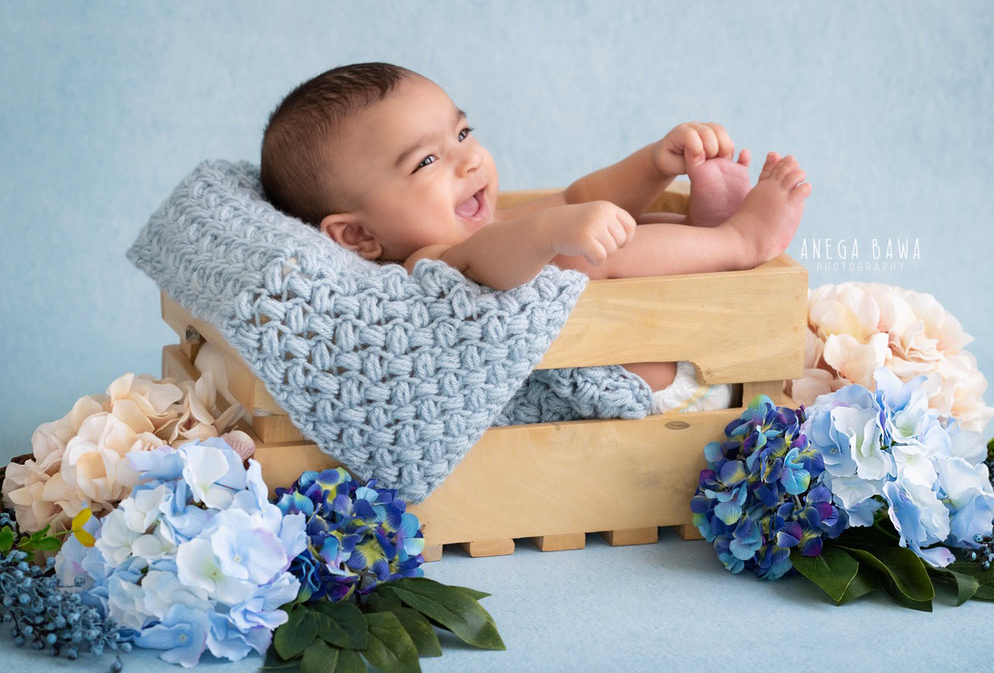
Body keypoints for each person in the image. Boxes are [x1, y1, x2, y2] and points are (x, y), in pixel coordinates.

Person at [259, 62, 811, 411]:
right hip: (658, 393)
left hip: (698, 350)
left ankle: (700, 230)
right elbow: (488, 263)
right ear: (357, 235)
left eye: (462, 132)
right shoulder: (422, 268)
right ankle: (740, 242)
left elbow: (576, 198)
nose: (469, 159)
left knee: (618, 230)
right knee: (578, 262)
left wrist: (652, 165)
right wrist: (550, 234)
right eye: (427, 160)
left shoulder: (483, 224)